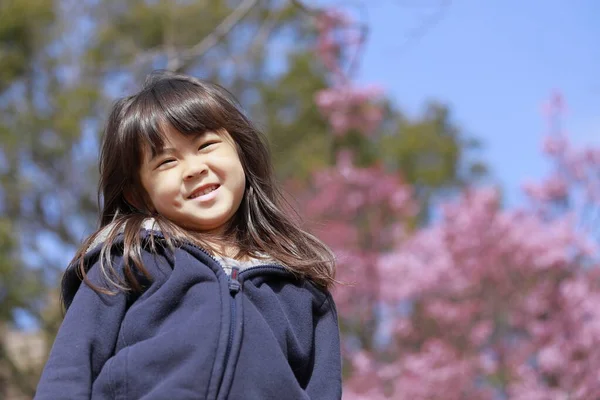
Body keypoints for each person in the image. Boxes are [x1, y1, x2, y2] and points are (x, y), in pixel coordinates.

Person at [34, 70, 342, 399]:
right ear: (139, 195)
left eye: (206, 145)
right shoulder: (125, 261)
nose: (194, 168)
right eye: (166, 161)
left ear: (240, 151)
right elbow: (69, 371)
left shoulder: (300, 287)